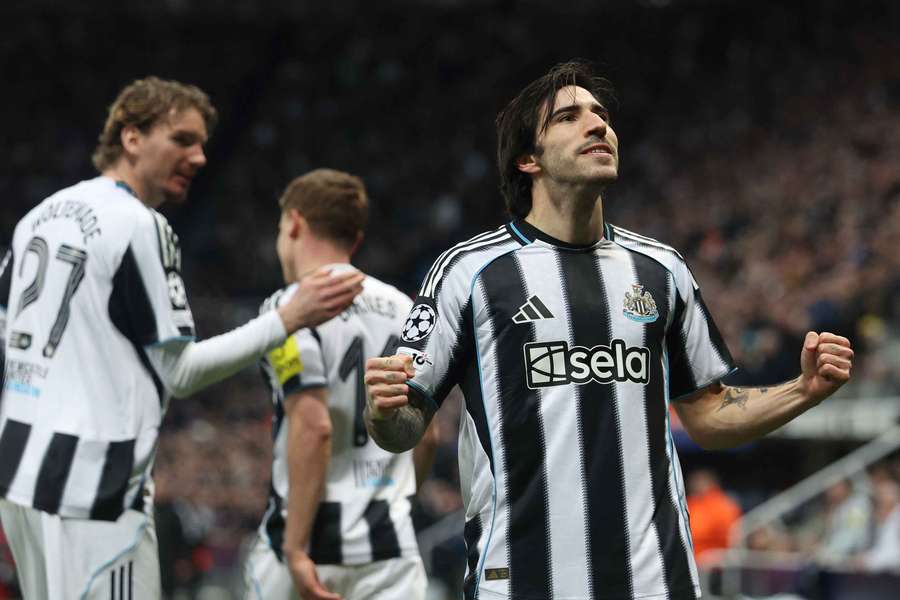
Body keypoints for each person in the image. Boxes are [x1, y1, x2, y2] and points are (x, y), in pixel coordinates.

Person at [363, 60, 854, 600]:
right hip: (524, 581)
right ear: (529, 159)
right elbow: (407, 422)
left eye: (601, 115)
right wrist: (383, 411)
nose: (598, 125)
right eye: (569, 117)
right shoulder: (469, 271)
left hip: (654, 582)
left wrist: (802, 390)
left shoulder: (660, 269)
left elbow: (708, 414)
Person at [0, 77, 363, 599]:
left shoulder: (39, 216)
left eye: (201, 145)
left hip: (20, 474)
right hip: (92, 483)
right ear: (131, 138)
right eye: (182, 140)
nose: (198, 158)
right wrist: (288, 316)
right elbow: (183, 371)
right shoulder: (138, 224)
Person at [243, 169, 433, 600]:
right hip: (390, 550)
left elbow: (314, 427)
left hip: (309, 546)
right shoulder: (405, 309)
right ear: (356, 240)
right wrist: (397, 502)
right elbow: (427, 433)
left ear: (294, 223)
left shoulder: (289, 308)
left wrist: (294, 549)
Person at [685, 469, 742, 567]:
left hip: (714, 561)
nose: (694, 484)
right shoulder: (691, 502)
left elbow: (732, 535)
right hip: (691, 558)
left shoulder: (723, 504)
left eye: (699, 481)